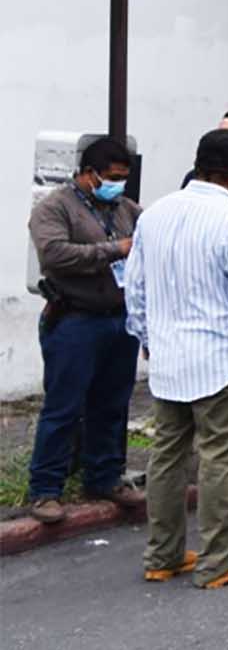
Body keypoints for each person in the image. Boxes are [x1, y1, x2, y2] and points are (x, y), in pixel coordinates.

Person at [126, 129, 228, 589]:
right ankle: (219, 560)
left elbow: (134, 288)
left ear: (197, 163)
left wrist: (145, 336)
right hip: (221, 360)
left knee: (167, 457)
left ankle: (163, 555)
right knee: (223, 458)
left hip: (169, 359)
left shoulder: (154, 215)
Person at [24, 137, 144, 526]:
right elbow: (54, 254)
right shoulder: (55, 207)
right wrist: (113, 250)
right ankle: (45, 489)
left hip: (118, 318)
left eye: (124, 178)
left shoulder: (126, 209)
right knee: (64, 407)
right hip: (74, 318)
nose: (118, 184)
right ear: (88, 173)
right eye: (112, 177)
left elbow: (147, 243)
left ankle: (105, 477)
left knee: (111, 404)